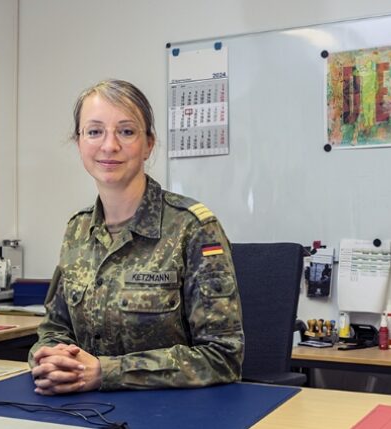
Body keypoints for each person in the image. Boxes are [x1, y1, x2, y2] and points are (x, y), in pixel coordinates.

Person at [29, 79, 244, 395]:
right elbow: (55, 329)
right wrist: (48, 357)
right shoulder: (77, 230)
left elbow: (223, 356)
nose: (109, 145)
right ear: (79, 142)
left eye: (126, 131)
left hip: (172, 415)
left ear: (149, 145)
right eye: (94, 131)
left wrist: (107, 373)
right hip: (84, 410)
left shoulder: (193, 228)